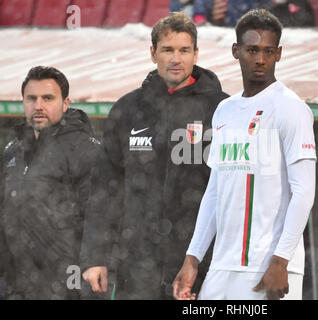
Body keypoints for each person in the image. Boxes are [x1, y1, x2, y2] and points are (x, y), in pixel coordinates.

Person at [80, 11, 228, 299]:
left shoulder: (222, 110)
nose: (176, 58)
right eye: (168, 50)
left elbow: (232, 189)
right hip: (137, 262)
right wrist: (95, 255)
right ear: (152, 53)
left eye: (184, 50)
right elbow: (104, 188)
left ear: (196, 54)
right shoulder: (128, 109)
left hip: (199, 262)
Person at [173, 8, 317, 300]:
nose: (260, 59)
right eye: (252, 50)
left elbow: (304, 192)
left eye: (268, 51)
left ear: (279, 54)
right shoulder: (224, 110)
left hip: (269, 265)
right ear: (236, 51)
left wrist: (281, 261)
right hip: (222, 267)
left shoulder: (291, 109)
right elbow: (215, 190)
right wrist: (192, 257)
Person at [0, 66, 102, 299]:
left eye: (48, 98)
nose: (38, 106)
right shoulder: (13, 150)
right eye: (31, 99)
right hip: (17, 283)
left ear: (65, 103)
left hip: (66, 283)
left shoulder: (85, 151)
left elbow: (101, 219)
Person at [193, 0, 270, 26]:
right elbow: (198, 17)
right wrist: (211, 24)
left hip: (251, 31)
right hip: (222, 37)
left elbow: (271, 10)